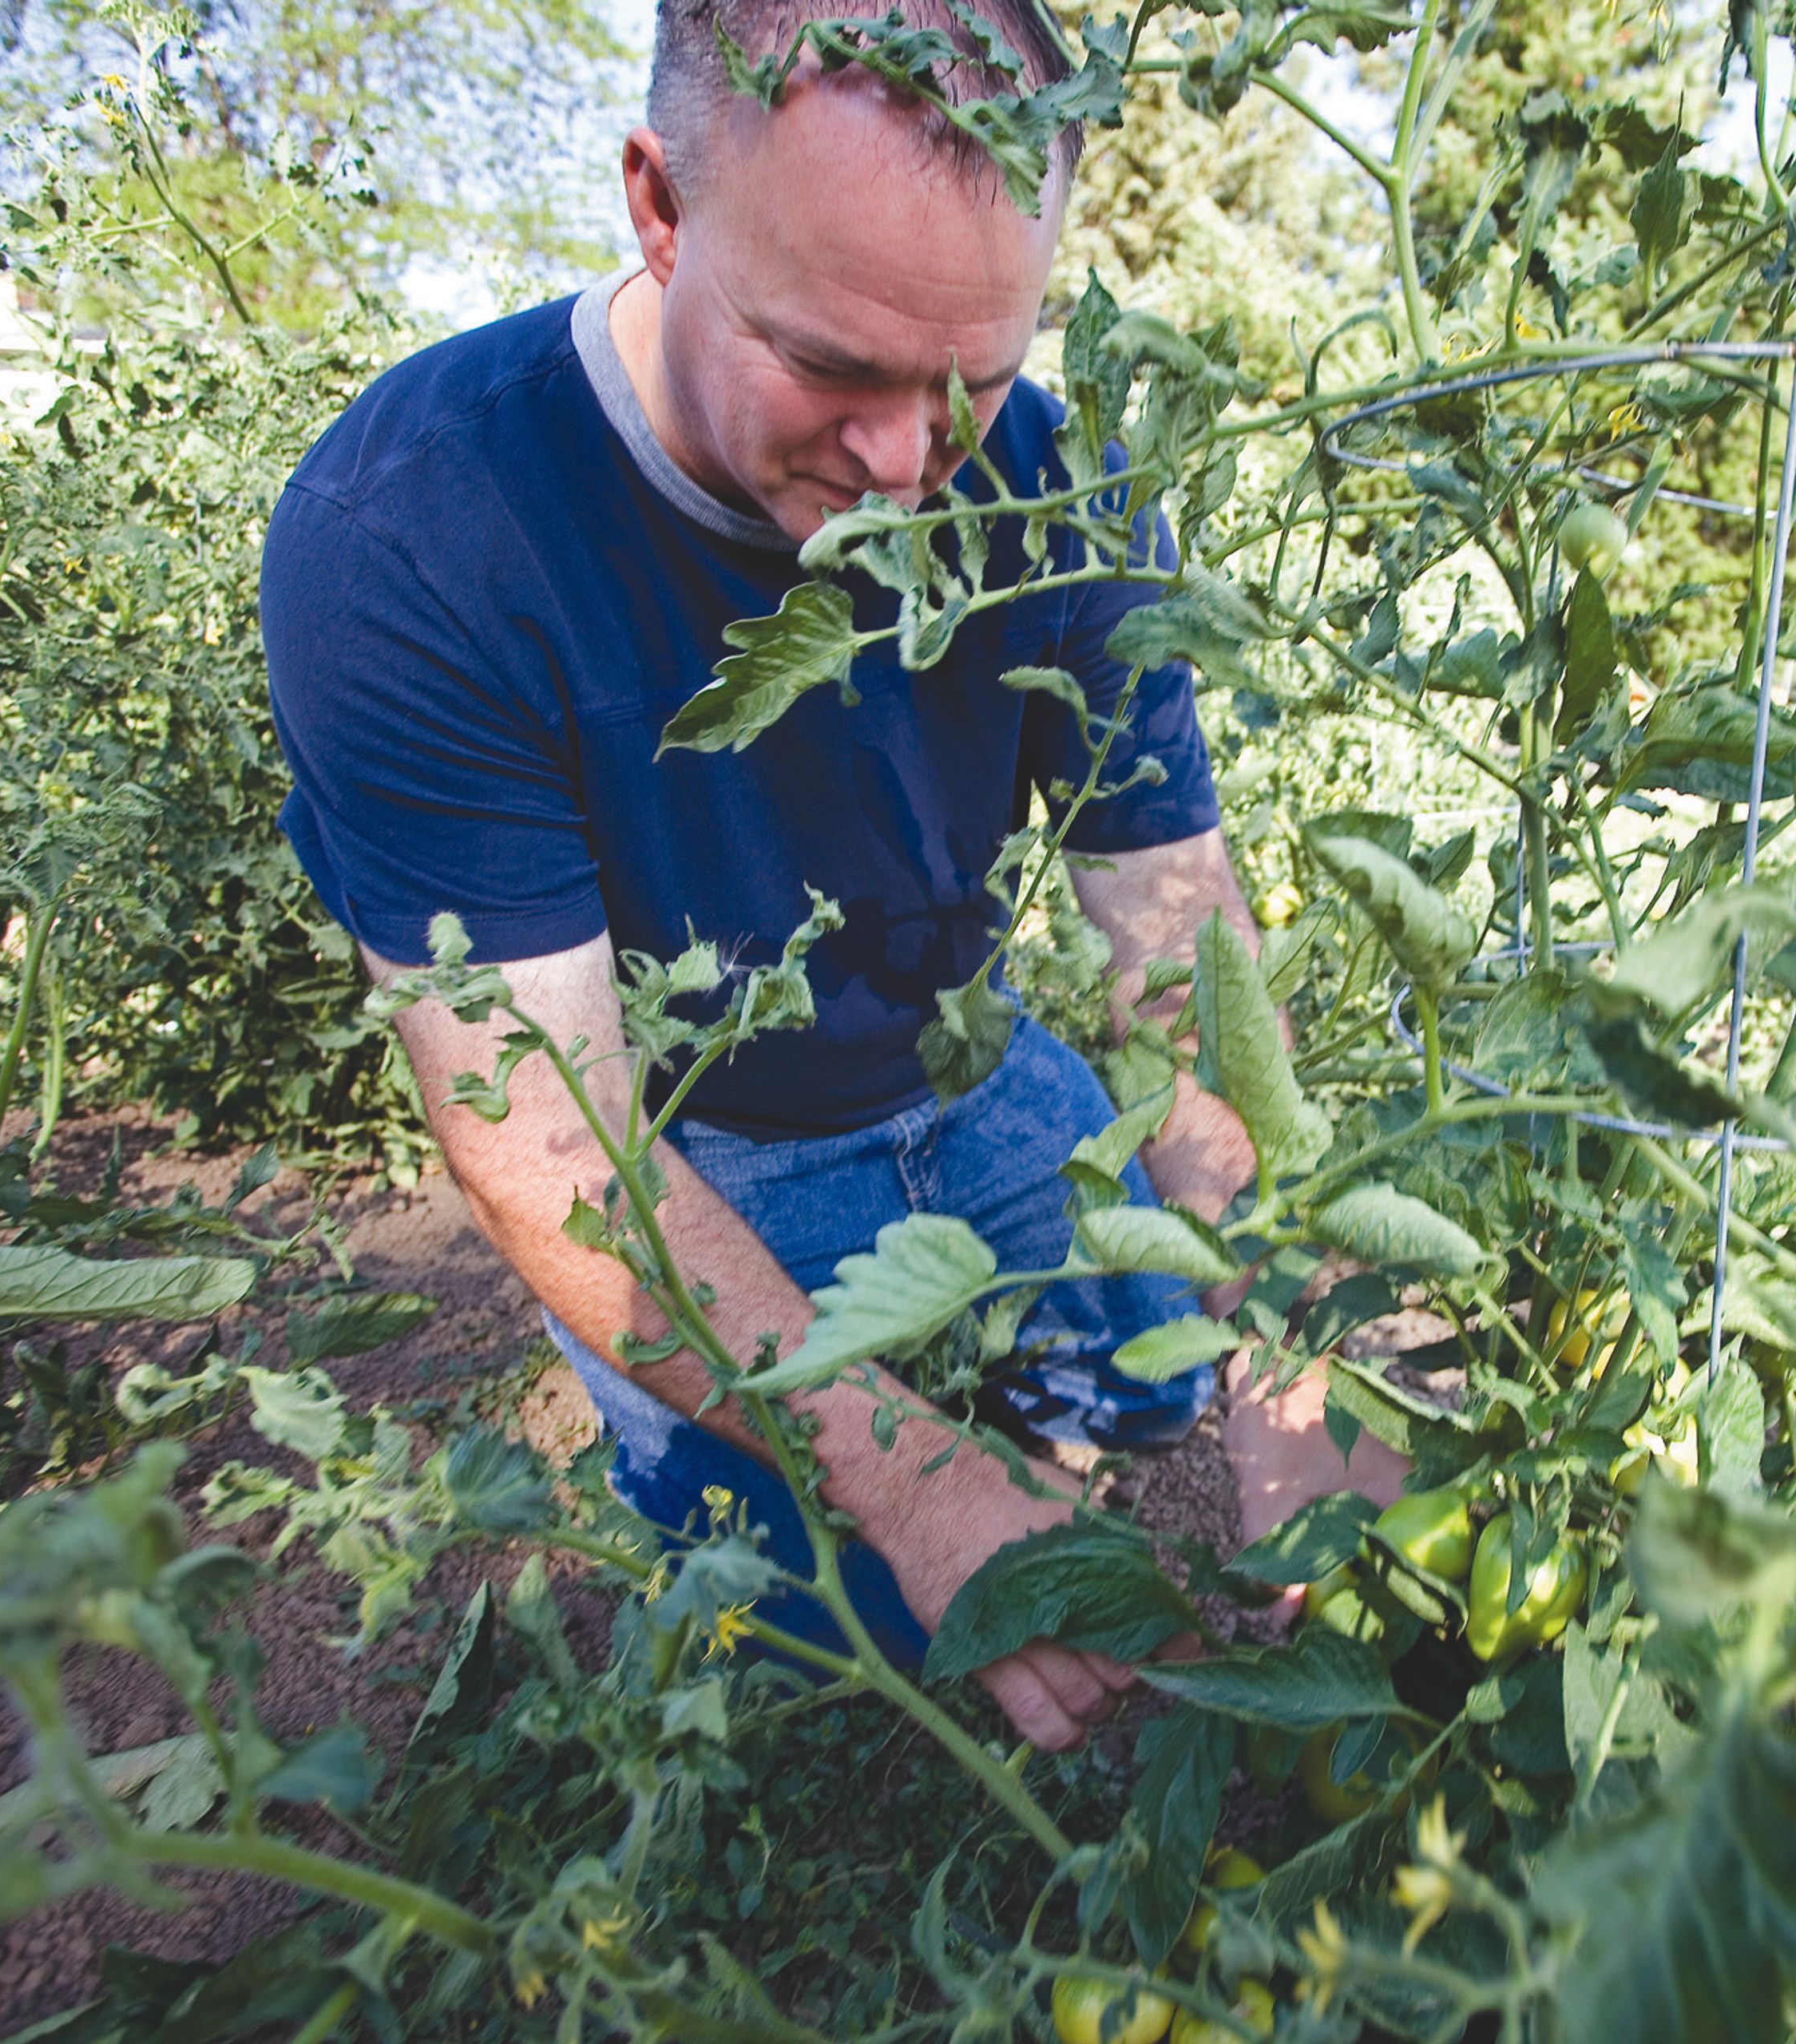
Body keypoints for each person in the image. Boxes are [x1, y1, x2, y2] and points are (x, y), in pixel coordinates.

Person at [260, 0, 1403, 1754]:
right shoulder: (416, 531)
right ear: (657, 203)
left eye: (971, 382)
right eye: (830, 369)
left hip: (971, 1067)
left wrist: (1284, 1332)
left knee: (1174, 1345)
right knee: (855, 1666)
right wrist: (919, 1486)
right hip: (697, 1151)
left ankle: (1050, 1408)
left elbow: (1179, 962)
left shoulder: (1067, 491)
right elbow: (553, 1148)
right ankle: (922, 1467)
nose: (897, 467)